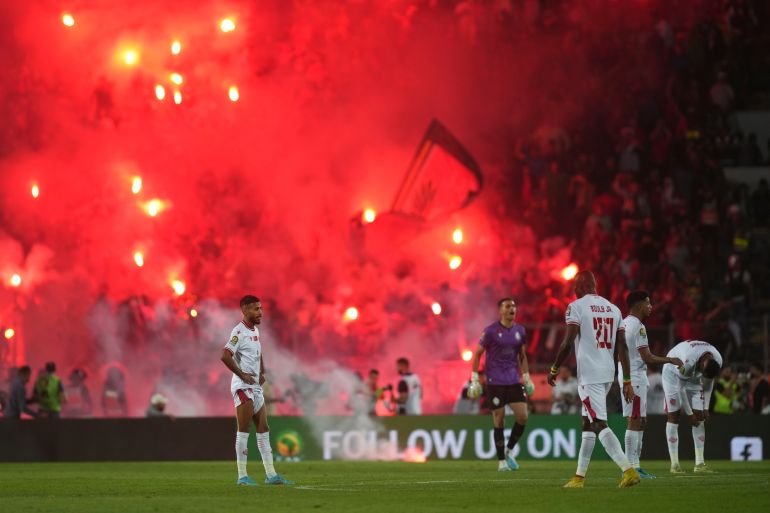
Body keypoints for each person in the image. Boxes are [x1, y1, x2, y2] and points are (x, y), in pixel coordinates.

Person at [546, 270, 640, 488]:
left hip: (589, 375)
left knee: (598, 423)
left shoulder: (576, 307)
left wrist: (554, 368)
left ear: (579, 287)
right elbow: (623, 348)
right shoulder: (614, 309)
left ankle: (627, 470)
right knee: (587, 423)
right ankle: (579, 477)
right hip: (608, 373)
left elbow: (567, 342)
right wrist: (626, 379)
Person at [220, 295, 292, 486]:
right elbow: (225, 356)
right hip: (243, 387)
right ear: (244, 310)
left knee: (264, 428)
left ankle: (271, 475)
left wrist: (262, 371)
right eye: (255, 309)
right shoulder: (238, 332)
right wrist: (242, 375)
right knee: (244, 429)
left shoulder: (255, 331)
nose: (260, 312)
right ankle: (242, 476)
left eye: (260, 308)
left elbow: (257, 352)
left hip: (255, 386)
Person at [618, 291, 683, 479]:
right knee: (634, 419)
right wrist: (670, 360)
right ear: (638, 305)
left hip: (633, 375)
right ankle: (632, 467)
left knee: (640, 421)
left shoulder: (623, 324)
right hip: (634, 377)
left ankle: (635, 465)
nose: (651, 306)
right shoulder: (638, 327)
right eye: (648, 303)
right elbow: (647, 357)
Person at [469, 298, 534, 471]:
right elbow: (477, 355)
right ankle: (501, 462)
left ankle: (509, 450)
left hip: (513, 380)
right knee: (499, 419)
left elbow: (522, 356)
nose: (512, 308)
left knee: (523, 416)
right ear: (501, 311)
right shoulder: (490, 331)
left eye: (514, 305)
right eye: (508, 306)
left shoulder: (520, 331)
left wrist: (527, 378)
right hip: (495, 382)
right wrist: (475, 379)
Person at [662, 340, 722, 474]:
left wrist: (706, 407)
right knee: (674, 416)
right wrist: (689, 414)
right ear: (701, 363)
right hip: (673, 376)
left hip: (693, 379)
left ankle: (700, 464)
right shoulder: (688, 362)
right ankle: (675, 465)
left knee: (700, 418)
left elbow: (709, 382)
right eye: (702, 371)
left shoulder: (717, 359)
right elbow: (680, 389)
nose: (703, 374)